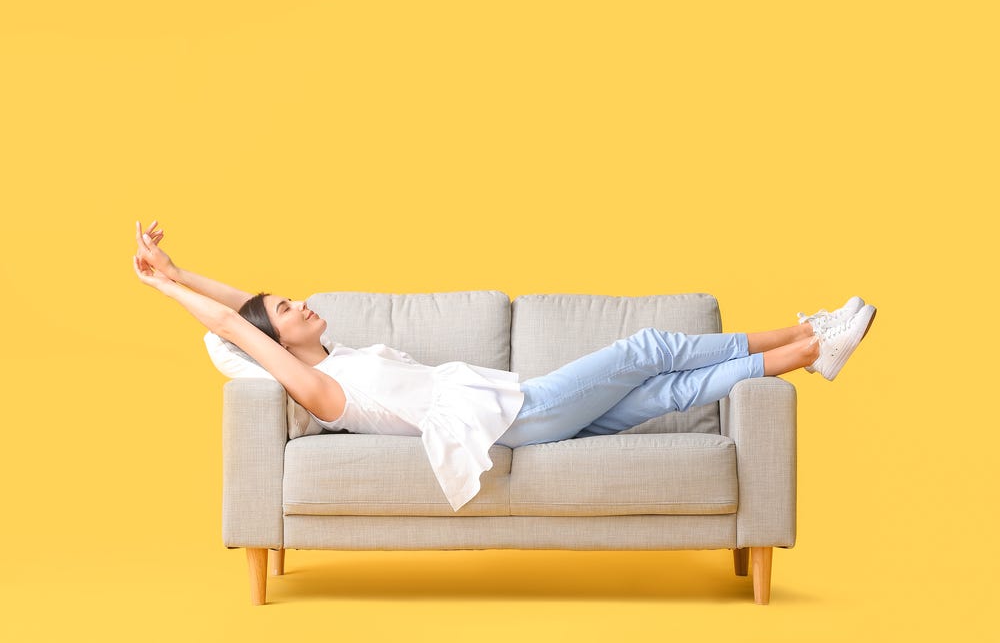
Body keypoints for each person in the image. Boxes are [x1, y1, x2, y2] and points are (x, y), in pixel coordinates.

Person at [132, 219, 876, 510]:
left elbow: (243, 301)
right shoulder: (320, 387)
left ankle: (814, 350)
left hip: (513, 405)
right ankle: (809, 329)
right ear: (278, 342)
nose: (298, 304)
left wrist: (183, 266)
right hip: (516, 414)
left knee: (671, 390)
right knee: (648, 349)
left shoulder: (338, 355)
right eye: (288, 310)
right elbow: (239, 322)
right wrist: (163, 287)